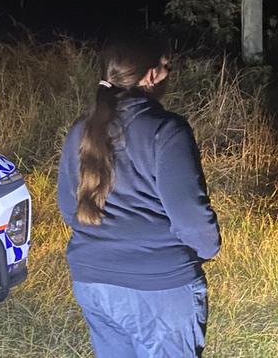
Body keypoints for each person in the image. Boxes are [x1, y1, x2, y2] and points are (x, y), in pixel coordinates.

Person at [57, 31, 221, 358]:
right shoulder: (166, 129)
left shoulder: (80, 129)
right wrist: (207, 247)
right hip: (160, 286)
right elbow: (189, 215)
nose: (169, 73)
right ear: (151, 75)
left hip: (94, 283)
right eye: (166, 65)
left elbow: (68, 207)